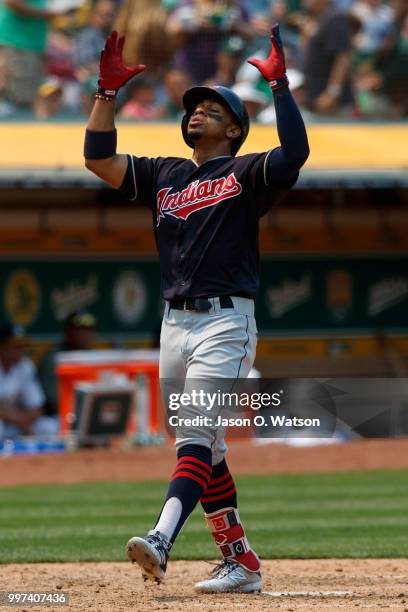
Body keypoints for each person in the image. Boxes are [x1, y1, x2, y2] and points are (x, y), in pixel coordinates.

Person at [84, 25, 309, 593]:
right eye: (194, 109)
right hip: (174, 323)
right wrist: (104, 94)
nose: (197, 114)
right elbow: (98, 158)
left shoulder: (245, 173)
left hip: (225, 321)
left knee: (195, 434)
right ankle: (242, 561)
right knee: (201, 443)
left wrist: (279, 86)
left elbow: (295, 154)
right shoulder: (166, 173)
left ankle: (161, 537)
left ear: (234, 129)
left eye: (212, 110)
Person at [0, 325, 57, 440]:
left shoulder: (26, 366)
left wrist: (23, 419)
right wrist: (19, 419)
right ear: (2, 347)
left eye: (21, 345)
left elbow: (37, 408)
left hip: (19, 424)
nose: (20, 349)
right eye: (14, 346)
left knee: (50, 426)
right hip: (5, 423)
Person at [38, 310, 96, 419]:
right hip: (58, 417)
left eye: (88, 330)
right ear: (68, 332)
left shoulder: (96, 358)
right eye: (79, 330)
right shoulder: (54, 358)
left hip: (90, 415)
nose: (84, 335)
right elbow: (54, 401)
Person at [300, 0, 354, 114]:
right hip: (314, 98)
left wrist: (333, 93)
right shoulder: (315, 19)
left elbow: (342, 57)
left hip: (331, 103)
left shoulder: (335, 18)